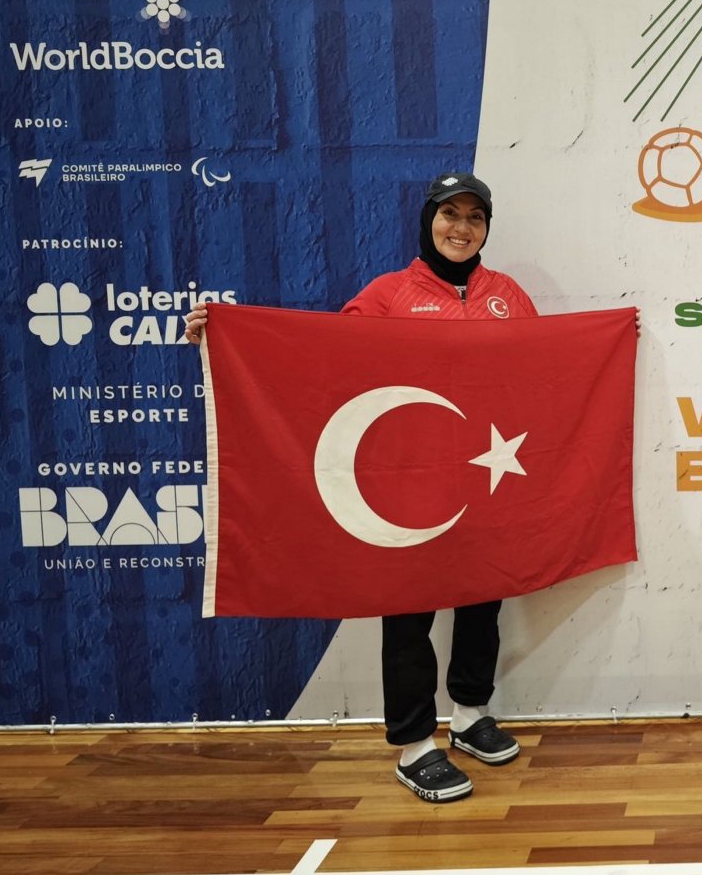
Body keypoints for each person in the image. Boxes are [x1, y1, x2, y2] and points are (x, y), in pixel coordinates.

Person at [184, 173, 537, 804]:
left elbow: (544, 365)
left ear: (488, 227)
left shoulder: (506, 293)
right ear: (428, 220)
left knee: (485, 597)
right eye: (449, 214)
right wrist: (224, 336)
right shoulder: (388, 293)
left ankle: (468, 714)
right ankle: (414, 746)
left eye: (474, 218)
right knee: (408, 612)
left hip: (487, 476)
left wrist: (608, 348)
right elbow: (323, 361)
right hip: (408, 486)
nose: (461, 228)